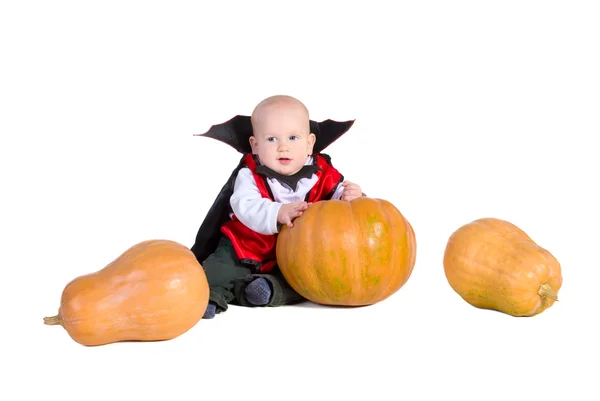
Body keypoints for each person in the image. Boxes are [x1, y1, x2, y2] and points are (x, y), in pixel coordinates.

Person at [195, 95, 364, 318]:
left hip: (296, 253)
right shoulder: (249, 174)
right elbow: (245, 204)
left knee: (308, 281)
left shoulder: (323, 173)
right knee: (218, 269)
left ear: (309, 143)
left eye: (293, 137)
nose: (283, 147)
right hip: (245, 244)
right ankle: (210, 295)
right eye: (272, 139)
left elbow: (337, 206)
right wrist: (278, 212)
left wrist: (351, 196)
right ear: (255, 145)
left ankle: (267, 289)